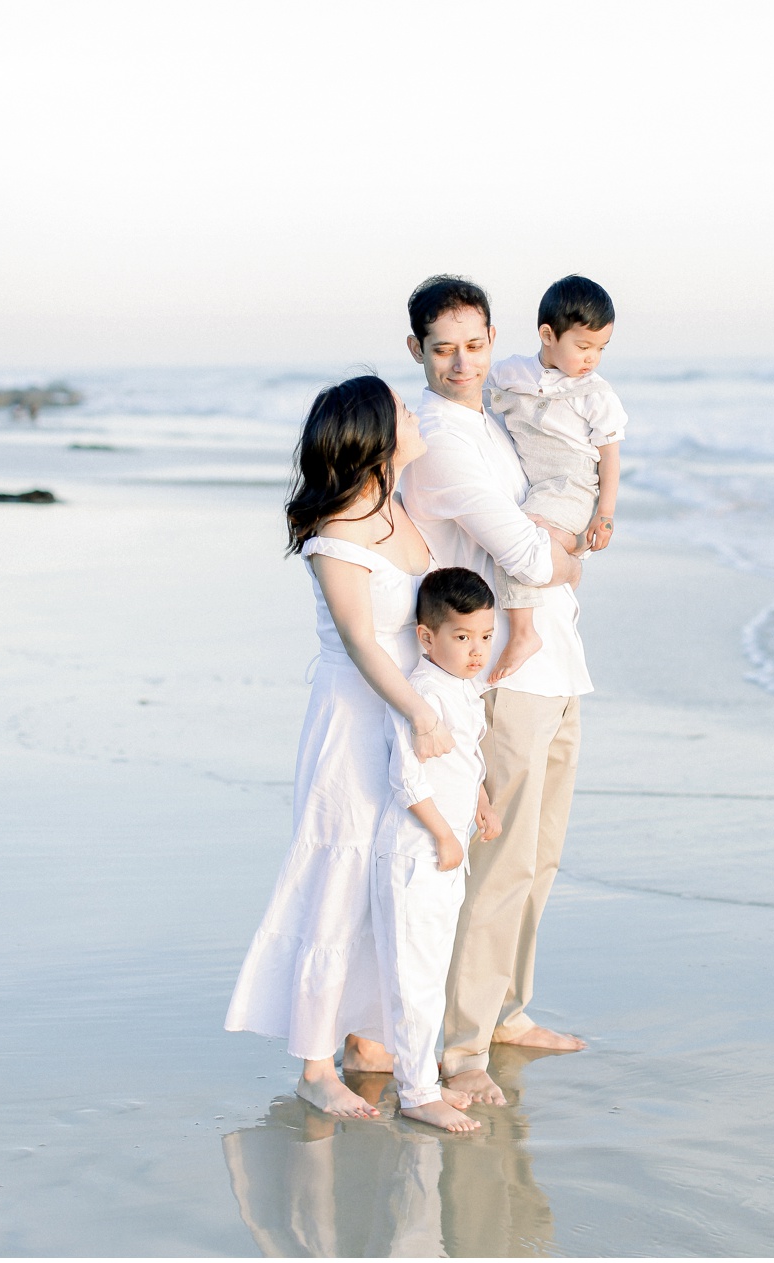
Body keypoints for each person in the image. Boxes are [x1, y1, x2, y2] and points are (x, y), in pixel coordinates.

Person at [225, 375, 469, 1120]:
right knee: (338, 871)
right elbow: (365, 643)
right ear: (375, 434)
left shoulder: (399, 509)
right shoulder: (338, 530)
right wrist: (420, 717)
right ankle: (312, 1063)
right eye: (400, 407)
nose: (413, 412)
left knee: (387, 874)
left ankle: (369, 1037)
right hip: (356, 718)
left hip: (407, 712)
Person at [400, 275, 592, 1108]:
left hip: (556, 664)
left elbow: (568, 512)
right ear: (418, 351)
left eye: (475, 343)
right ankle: (462, 1044)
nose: (462, 361)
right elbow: (526, 548)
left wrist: (565, 547)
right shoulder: (438, 437)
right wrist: (564, 551)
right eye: (443, 346)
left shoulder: (496, 423)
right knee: (499, 862)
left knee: (539, 857)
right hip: (501, 673)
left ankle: (507, 1008)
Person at [372, 567, 503, 1133]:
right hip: (416, 853)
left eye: (485, 637)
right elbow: (406, 780)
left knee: (431, 965)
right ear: (427, 638)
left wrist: (480, 802)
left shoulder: (462, 688)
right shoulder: (422, 692)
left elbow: (464, 756)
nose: (477, 651)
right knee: (415, 975)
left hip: (446, 852)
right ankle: (417, 1093)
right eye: (462, 637)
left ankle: (420, 1076)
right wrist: (446, 836)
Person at [486, 274, 627, 682]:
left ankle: (525, 633)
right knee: (528, 538)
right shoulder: (512, 373)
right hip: (538, 483)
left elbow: (609, 458)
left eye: (601, 348)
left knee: (523, 536)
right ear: (548, 335)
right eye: (583, 346)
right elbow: (478, 394)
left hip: (574, 484)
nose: (592, 358)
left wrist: (606, 514)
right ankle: (566, 559)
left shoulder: (595, 394)